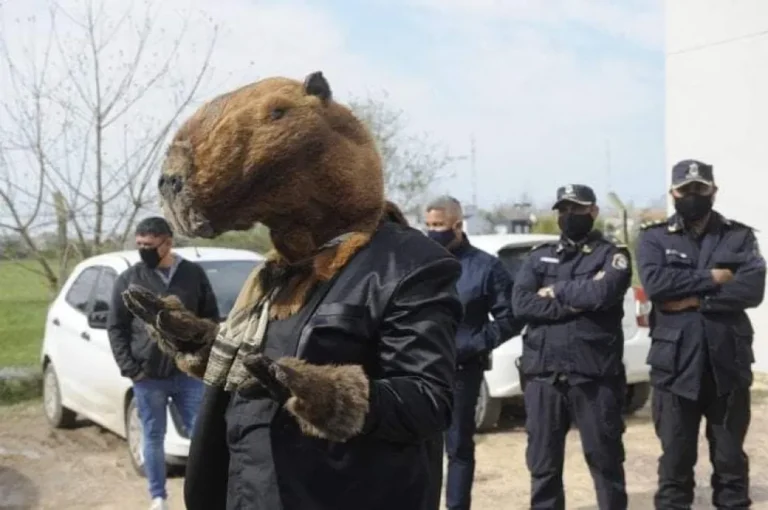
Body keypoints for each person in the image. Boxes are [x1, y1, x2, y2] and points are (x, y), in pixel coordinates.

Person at [636, 159, 766, 509]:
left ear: (713, 190)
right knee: (675, 468)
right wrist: (713, 277)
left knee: (730, 467)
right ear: (673, 193)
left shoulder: (739, 236)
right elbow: (656, 285)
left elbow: (752, 290)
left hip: (727, 366)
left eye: (700, 188)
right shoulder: (654, 237)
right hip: (675, 369)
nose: (692, 195)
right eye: (685, 189)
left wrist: (692, 299)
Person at [511, 184, 631, 510]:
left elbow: (604, 294)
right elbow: (521, 304)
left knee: (605, 462)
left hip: (594, 375)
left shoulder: (613, 255)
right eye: (563, 210)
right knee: (543, 466)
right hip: (544, 375)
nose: (568, 216)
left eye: (575, 209)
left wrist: (555, 291)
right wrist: (575, 303)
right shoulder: (538, 257)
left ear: (592, 212)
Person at [107, 216, 220, 510]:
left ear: (167, 243)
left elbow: (211, 318)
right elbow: (116, 327)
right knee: (154, 435)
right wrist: (132, 369)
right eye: (139, 244)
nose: (143, 249)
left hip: (188, 373)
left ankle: (203, 495)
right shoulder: (129, 279)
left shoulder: (193, 275)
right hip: (149, 377)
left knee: (201, 436)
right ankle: (158, 498)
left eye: (149, 245)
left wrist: (202, 358)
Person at [424, 195, 522, 510]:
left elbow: (511, 317)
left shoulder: (486, 267)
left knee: (458, 449)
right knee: (421, 449)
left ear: (457, 225)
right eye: (428, 225)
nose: (432, 232)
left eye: (439, 225)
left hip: (462, 372)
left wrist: (473, 345)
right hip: (420, 371)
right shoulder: (421, 264)